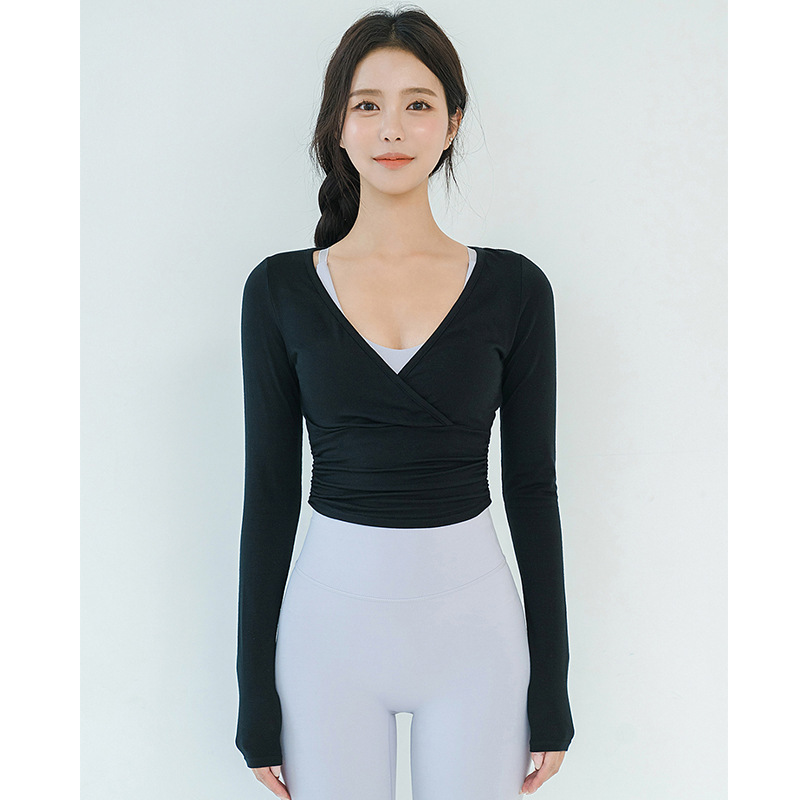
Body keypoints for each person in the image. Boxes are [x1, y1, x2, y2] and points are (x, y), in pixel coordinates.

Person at [235, 7, 575, 799]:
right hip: (327, 644)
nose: (392, 127)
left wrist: (552, 689)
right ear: (338, 123)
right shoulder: (279, 290)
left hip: (477, 642)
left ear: (452, 123)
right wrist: (254, 695)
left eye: (418, 103)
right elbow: (269, 492)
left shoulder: (516, 289)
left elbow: (533, 488)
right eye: (368, 104)